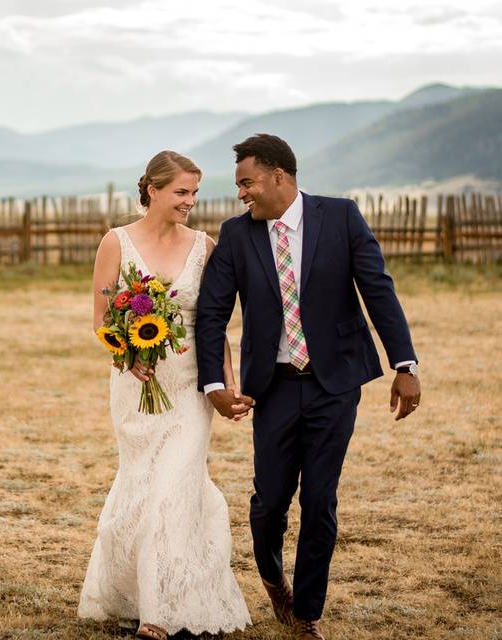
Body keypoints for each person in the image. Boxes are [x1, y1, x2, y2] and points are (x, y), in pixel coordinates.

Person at [195, 134, 421, 640]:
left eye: (247, 182)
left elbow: (377, 290)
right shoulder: (236, 235)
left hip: (334, 383)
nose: (241, 194)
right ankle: (274, 578)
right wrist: (214, 382)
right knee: (269, 502)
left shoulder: (340, 217)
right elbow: (211, 314)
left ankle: (307, 614)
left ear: (280, 177)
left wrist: (404, 363)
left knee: (321, 499)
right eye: (238, 186)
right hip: (270, 388)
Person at [78, 150, 252, 639]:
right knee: (143, 484)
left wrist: (227, 383)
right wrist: (127, 354)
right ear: (151, 190)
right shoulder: (115, 243)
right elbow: (101, 319)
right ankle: (132, 589)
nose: (189, 202)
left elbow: (215, 326)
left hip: (189, 387)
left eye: (194, 193)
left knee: (176, 483)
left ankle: (161, 610)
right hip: (136, 386)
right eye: (181, 192)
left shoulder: (205, 246)